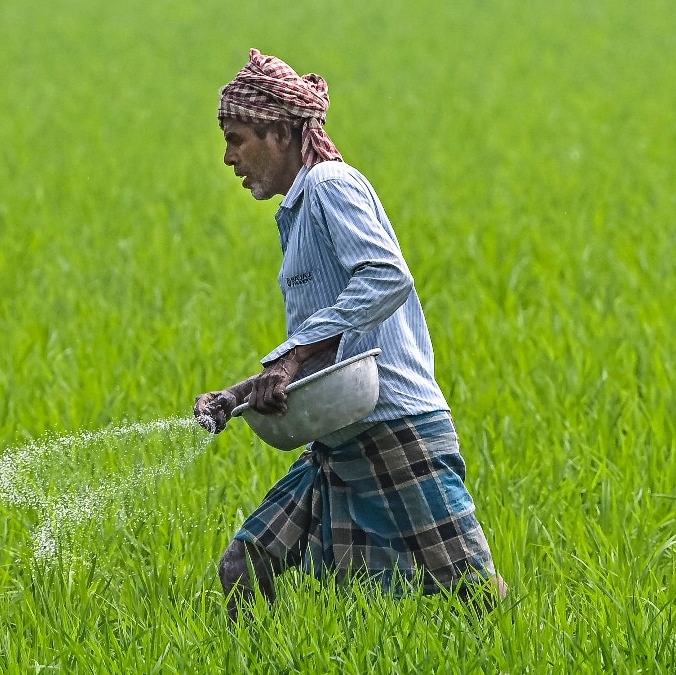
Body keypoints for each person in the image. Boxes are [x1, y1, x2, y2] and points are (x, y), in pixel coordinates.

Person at [194, 49, 505, 622]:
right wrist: (237, 397)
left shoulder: (332, 185)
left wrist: (289, 361)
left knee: (475, 596)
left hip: (395, 426)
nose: (228, 157)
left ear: (280, 132)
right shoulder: (298, 210)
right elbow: (326, 341)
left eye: (238, 139)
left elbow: (387, 276)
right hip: (339, 434)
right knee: (245, 564)